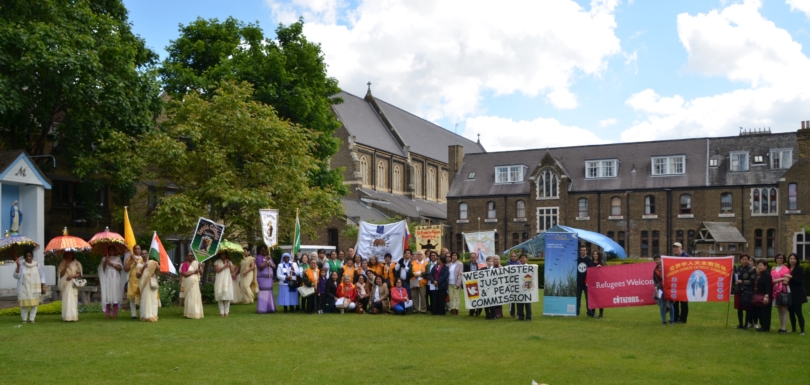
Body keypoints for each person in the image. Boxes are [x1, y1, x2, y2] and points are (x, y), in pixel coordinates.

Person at [14, 251, 46, 324]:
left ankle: (32, 319)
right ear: (24, 257)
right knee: (24, 305)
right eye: (26, 256)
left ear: (32, 257)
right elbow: (16, 276)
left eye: (29, 256)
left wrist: (43, 286)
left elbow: (42, 276)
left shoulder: (37, 265)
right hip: (24, 288)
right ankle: (24, 319)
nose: (28, 257)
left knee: (34, 305)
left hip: (35, 288)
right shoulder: (21, 266)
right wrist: (18, 267)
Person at [98, 245, 123, 319]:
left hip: (115, 277)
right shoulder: (104, 258)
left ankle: (115, 314)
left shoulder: (118, 258)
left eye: (113, 250)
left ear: (115, 251)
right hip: (107, 277)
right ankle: (107, 314)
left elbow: (120, 268)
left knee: (115, 294)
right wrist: (105, 262)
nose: (111, 251)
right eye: (110, 250)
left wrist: (111, 263)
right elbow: (101, 269)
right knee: (107, 295)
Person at [58, 251, 82, 322]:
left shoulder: (77, 263)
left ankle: (73, 316)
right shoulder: (62, 263)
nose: (69, 256)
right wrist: (65, 266)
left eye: (70, 254)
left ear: (73, 255)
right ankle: (66, 316)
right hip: (65, 283)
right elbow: (60, 275)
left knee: (73, 298)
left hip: (73, 283)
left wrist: (72, 276)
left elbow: (79, 274)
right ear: (65, 255)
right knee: (66, 298)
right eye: (67, 254)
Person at [734, 254, 756, 329]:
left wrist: (742, 282)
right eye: (743, 259)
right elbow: (735, 277)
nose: (744, 261)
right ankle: (740, 324)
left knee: (747, 308)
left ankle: (746, 324)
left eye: (746, 259)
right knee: (739, 308)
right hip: (738, 290)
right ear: (740, 260)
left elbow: (752, 281)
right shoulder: (738, 268)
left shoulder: (752, 269)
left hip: (747, 291)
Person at [771, 253, 791, 334]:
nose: (779, 259)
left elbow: (786, 281)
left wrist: (780, 279)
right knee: (779, 309)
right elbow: (772, 281)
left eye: (781, 258)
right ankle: (781, 326)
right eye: (778, 258)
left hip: (783, 290)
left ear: (783, 259)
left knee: (784, 309)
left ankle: (784, 328)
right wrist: (782, 278)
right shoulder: (773, 269)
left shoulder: (786, 269)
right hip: (775, 290)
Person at [786, 253, 806, 335]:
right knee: (791, 312)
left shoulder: (799, 269)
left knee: (798, 312)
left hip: (797, 294)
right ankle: (793, 328)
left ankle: (802, 330)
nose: (792, 260)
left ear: (797, 260)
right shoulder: (787, 268)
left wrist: (791, 277)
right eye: (791, 258)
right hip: (789, 293)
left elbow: (799, 282)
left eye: (794, 259)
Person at [180, 251, 203, 319]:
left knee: (196, 297)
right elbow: (184, 274)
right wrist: (193, 272)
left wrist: (200, 266)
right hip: (188, 284)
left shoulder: (196, 263)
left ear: (193, 256)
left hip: (195, 283)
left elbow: (201, 273)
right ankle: (189, 313)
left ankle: (196, 313)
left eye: (191, 255)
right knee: (190, 298)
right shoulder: (184, 264)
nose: (190, 256)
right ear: (186, 257)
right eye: (188, 255)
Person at [137, 253, 160, 322]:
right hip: (143, 284)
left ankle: (153, 315)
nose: (144, 255)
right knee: (145, 299)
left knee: (153, 298)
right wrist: (143, 268)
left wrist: (155, 272)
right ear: (141, 255)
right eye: (142, 254)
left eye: (145, 253)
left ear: (148, 254)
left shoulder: (152, 262)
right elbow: (137, 276)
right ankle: (146, 315)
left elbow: (160, 269)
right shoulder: (139, 264)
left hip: (151, 283)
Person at [671, 242, 690, 324]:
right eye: (674, 247)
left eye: (677, 247)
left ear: (681, 248)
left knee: (684, 302)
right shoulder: (672, 258)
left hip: (685, 284)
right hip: (676, 283)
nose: (675, 249)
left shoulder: (687, 257)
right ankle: (675, 318)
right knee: (675, 302)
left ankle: (683, 319)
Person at [653, 254, 674, 325]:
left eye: (658, 259)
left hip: (668, 288)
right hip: (660, 289)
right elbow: (655, 280)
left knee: (670, 304)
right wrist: (656, 287)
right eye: (656, 260)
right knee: (661, 305)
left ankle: (672, 320)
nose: (657, 261)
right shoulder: (655, 270)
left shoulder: (666, 267)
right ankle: (664, 321)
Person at [753, 258, 773, 332]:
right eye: (758, 265)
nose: (759, 267)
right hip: (758, 296)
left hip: (764, 296)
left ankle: (766, 328)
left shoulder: (767, 275)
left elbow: (768, 286)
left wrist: (766, 296)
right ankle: (762, 326)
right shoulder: (759, 275)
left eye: (761, 265)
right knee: (759, 312)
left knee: (765, 312)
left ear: (765, 266)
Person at [124, 245, 143, 319]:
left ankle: (142, 313)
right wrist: (131, 260)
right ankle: (134, 314)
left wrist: (136, 261)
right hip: (132, 280)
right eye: (135, 249)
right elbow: (126, 269)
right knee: (132, 298)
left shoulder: (143, 258)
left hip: (140, 280)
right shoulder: (130, 258)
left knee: (141, 297)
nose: (137, 250)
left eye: (138, 249)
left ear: (140, 250)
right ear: (133, 250)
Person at [214, 251, 235, 317]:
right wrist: (225, 266)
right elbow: (217, 270)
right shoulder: (217, 262)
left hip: (227, 280)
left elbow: (232, 271)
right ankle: (221, 312)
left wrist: (229, 264)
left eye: (224, 254)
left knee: (227, 296)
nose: (223, 255)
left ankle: (226, 312)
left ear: (226, 255)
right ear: (220, 255)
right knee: (220, 297)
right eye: (222, 254)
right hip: (219, 280)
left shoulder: (229, 262)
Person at [576, 245, 595, 317]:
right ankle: (577, 312)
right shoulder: (577, 259)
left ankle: (589, 312)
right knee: (578, 298)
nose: (582, 251)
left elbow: (592, 270)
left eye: (584, 250)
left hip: (587, 283)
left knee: (588, 298)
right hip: (578, 282)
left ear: (586, 251)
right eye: (581, 250)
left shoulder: (589, 260)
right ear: (580, 251)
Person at [256, 246, 276, 314]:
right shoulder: (258, 257)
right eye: (262, 250)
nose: (264, 251)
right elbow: (260, 267)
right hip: (262, 278)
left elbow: (274, 266)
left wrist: (270, 263)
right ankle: (262, 308)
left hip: (269, 278)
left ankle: (270, 308)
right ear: (260, 251)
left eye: (265, 250)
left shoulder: (269, 257)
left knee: (269, 291)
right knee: (264, 292)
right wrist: (266, 261)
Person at [464, 252, 483, 317]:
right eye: (472, 258)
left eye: (474, 258)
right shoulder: (466, 265)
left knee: (479, 298)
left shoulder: (479, 265)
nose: (473, 259)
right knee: (471, 298)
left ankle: (478, 311)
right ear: (470, 258)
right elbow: (465, 273)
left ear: (476, 258)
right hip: (470, 284)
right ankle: (471, 311)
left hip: (478, 284)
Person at [516, 254, 533, 321]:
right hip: (519, 287)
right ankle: (521, 316)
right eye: (521, 258)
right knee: (519, 302)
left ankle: (528, 316)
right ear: (519, 259)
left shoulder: (530, 267)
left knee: (527, 302)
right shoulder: (517, 268)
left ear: (526, 259)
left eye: (524, 258)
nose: (522, 259)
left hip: (527, 286)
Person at [447, 252, 464, 316]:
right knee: (451, 297)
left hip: (456, 282)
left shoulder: (460, 264)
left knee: (457, 297)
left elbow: (460, 274)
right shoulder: (449, 264)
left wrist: (458, 283)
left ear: (457, 256)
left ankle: (456, 309)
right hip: (450, 283)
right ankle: (452, 309)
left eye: (455, 255)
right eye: (453, 255)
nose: (454, 257)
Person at [591, 250, 605, 319]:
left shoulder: (601, 264)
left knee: (600, 299)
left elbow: (605, 273)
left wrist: (601, 268)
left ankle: (601, 313)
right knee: (593, 298)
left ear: (598, 255)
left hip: (600, 284)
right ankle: (593, 312)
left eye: (596, 254)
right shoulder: (590, 263)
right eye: (594, 254)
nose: (595, 255)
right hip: (592, 283)